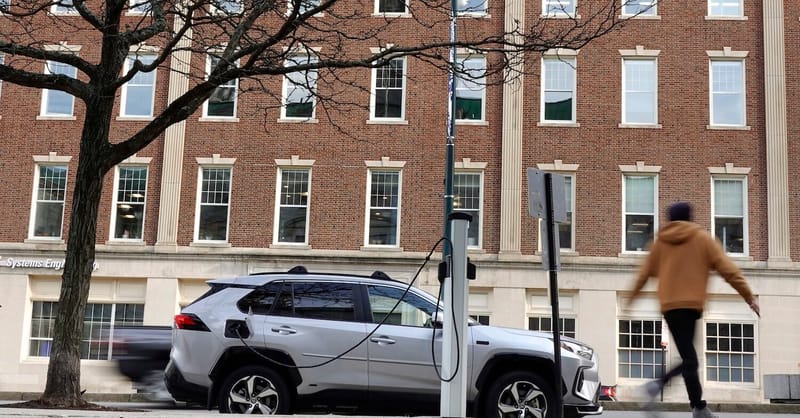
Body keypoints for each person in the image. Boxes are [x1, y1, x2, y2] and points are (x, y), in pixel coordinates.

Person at [627, 202, 760, 418]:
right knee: (690, 359)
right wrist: (748, 296)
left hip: (670, 307)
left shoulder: (660, 242)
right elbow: (729, 270)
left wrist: (630, 300)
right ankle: (664, 387)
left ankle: (698, 407)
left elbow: (643, 274)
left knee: (689, 358)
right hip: (691, 307)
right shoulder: (703, 239)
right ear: (690, 217)